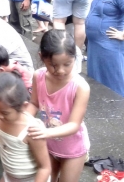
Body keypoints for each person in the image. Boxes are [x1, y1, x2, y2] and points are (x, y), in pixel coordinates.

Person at [27, 30, 90, 182]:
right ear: (42, 57)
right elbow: (34, 103)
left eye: (67, 64)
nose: (61, 70)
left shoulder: (80, 87)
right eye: (53, 65)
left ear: (75, 58)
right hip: (47, 145)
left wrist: (45, 133)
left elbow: (74, 125)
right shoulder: (38, 76)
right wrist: (23, 121)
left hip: (72, 148)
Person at [86, 0, 124, 96]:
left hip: (109, 45)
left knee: (113, 80)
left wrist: (122, 34)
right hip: (95, 44)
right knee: (97, 78)